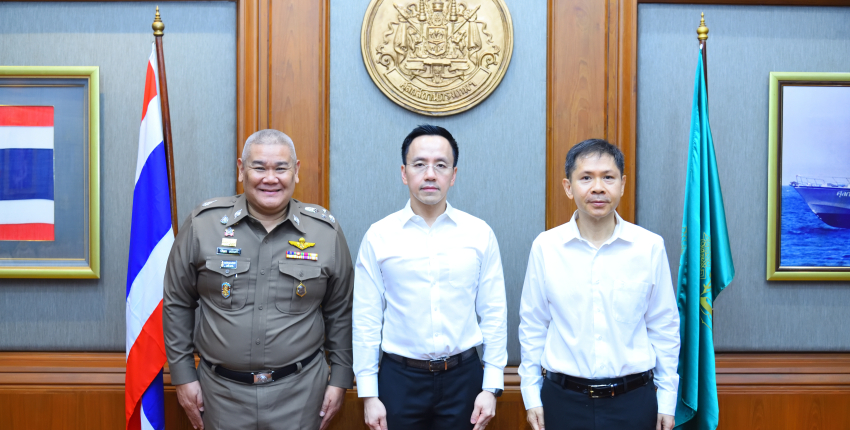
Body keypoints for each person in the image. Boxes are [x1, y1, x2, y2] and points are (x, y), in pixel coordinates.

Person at [163, 129, 354, 430]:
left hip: (301, 395)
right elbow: (177, 302)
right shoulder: (203, 225)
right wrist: (183, 375)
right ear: (241, 170)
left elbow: (340, 311)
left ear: (296, 171)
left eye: (281, 168)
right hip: (221, 397)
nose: (270, 178)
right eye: (259, 167)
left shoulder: (325, 233)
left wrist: (341, 378)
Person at [353, 125, 508, 430]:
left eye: (441, 165)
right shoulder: (379, 236)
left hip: (464, 378)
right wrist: (369, 394)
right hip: (399, 380)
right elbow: (366, 318)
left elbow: (494, 312)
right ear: (404, 172)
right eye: (419, 164)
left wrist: (491, 386)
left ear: (453, 174)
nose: (430, 174)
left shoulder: (479, 233)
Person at [518, 139, 680, 430]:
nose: (598, 188)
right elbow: (533, 325)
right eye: (586, 178)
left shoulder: (649, 247)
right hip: (563, 401)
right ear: (568, 187)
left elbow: (664, 327)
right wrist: (531, 395)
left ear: (622, 184)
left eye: (608, 177)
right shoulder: (546, 247)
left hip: (633, 402)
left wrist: (667, 399)